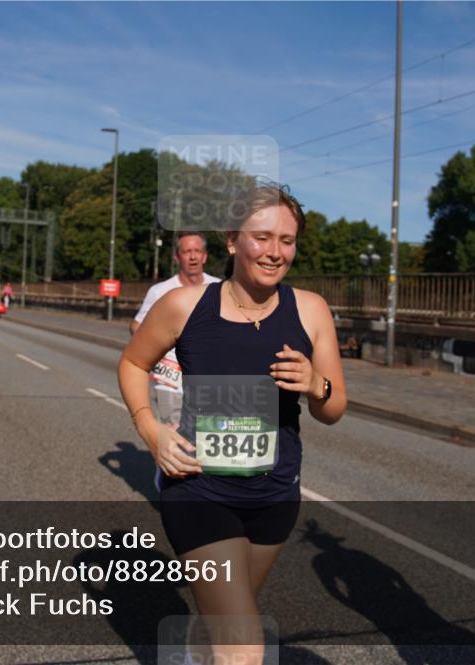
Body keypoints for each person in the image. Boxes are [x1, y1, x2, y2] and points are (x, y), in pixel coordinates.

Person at [118, 183, 346, 665]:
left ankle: (192, 655)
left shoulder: (310, 310)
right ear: (231, 241)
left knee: (225, 622)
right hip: (198, 491)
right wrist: (151, 430)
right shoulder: (186, 306)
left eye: (287, 240)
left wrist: (314, 384)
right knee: (244, 647)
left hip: (274, 495)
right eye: (261, 237)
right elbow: (133, 364)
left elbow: (334, 408)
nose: (275, 251)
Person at [131, 232, 220, 431]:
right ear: (177, 257)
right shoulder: (160, 291)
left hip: (209, 385)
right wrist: (159, 351)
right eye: (187, 251)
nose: (193, 256)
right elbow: (137, 326)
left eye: (197, 251)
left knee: (206, 447)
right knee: (175, 444)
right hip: (171, 382)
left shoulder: (219, 288)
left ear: (205, 256)